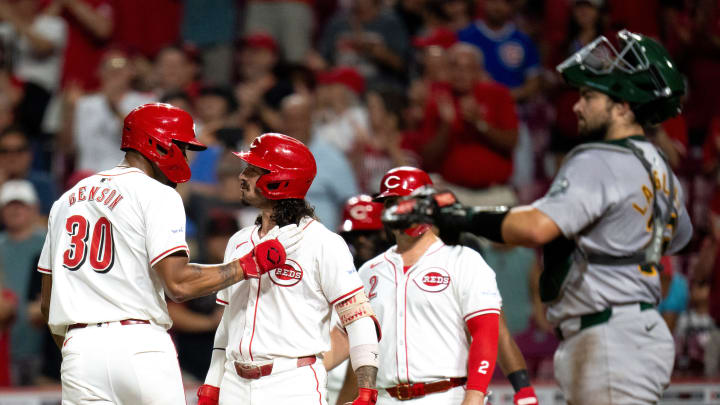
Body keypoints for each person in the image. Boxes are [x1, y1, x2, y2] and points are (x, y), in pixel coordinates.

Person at [385, 31, 693, 405]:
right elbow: (678, 236)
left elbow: (535, 228)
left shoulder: (600, 158)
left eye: (590, 96)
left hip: (609, 335)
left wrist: (460, 215)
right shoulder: (658, 164)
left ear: (623, 107)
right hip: (640, 331)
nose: (578, 107)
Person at [37, 103, 298, 404]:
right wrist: (248, 264)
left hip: (78, 351)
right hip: (139, 345)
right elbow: (179, 284)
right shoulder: (157, 193)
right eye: (182, 147)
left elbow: (48, 302)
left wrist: (80, 346)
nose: (185, 157)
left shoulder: (67, 200)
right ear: (159, 143)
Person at [196, 132, 380, 405]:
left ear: (279, 179)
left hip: (292, 384)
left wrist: (367, 391)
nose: (241, 176)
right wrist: (212, 385)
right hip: (234, 381)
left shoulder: (323, 242)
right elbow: (228, 322)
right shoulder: (238, 241)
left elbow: (359, 318)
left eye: (252, 170)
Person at [330, 183, 539, 405]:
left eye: (369, 234)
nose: (362, 241)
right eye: (354, 236)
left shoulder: (458, 253)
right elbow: (355, 347)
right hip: (386, 389)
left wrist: (521, 386)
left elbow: (493, 329)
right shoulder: (368, 269)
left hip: (446, 388)